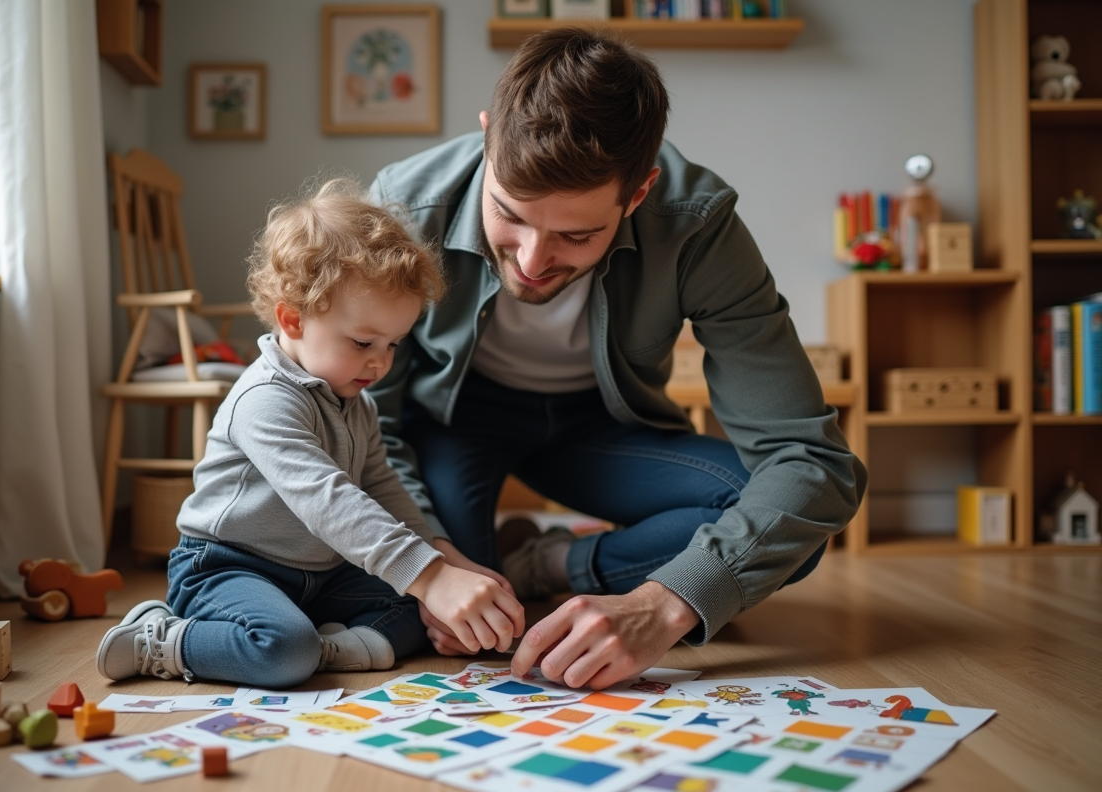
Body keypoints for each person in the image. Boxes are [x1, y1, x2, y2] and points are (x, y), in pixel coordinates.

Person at [367, 28, 868, 690]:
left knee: (784, 536)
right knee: (465, 622)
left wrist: (663, 606)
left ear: (638, 193)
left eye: (576, 234)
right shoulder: (401, 207)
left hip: (597, 425)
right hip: (453, 422)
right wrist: (429, 559)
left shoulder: (696, 222)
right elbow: (365, 420)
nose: (532, 261)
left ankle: (549, 565)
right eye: (509, 215)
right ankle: (503, 559)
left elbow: (813, 466)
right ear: (488, 136)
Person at [95, 179, 524, 688]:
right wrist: (431, 577)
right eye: (364, 341)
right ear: (292, 320)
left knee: (415, 608)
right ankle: (164, 639)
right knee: (285, 650)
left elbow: (383, 486)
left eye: (393, 344)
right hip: (229, 568)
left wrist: (445, 559)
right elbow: (330, 501)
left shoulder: (353, 398)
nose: (380, 362)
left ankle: (317, 645)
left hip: (318, 575)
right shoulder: (264, 400)